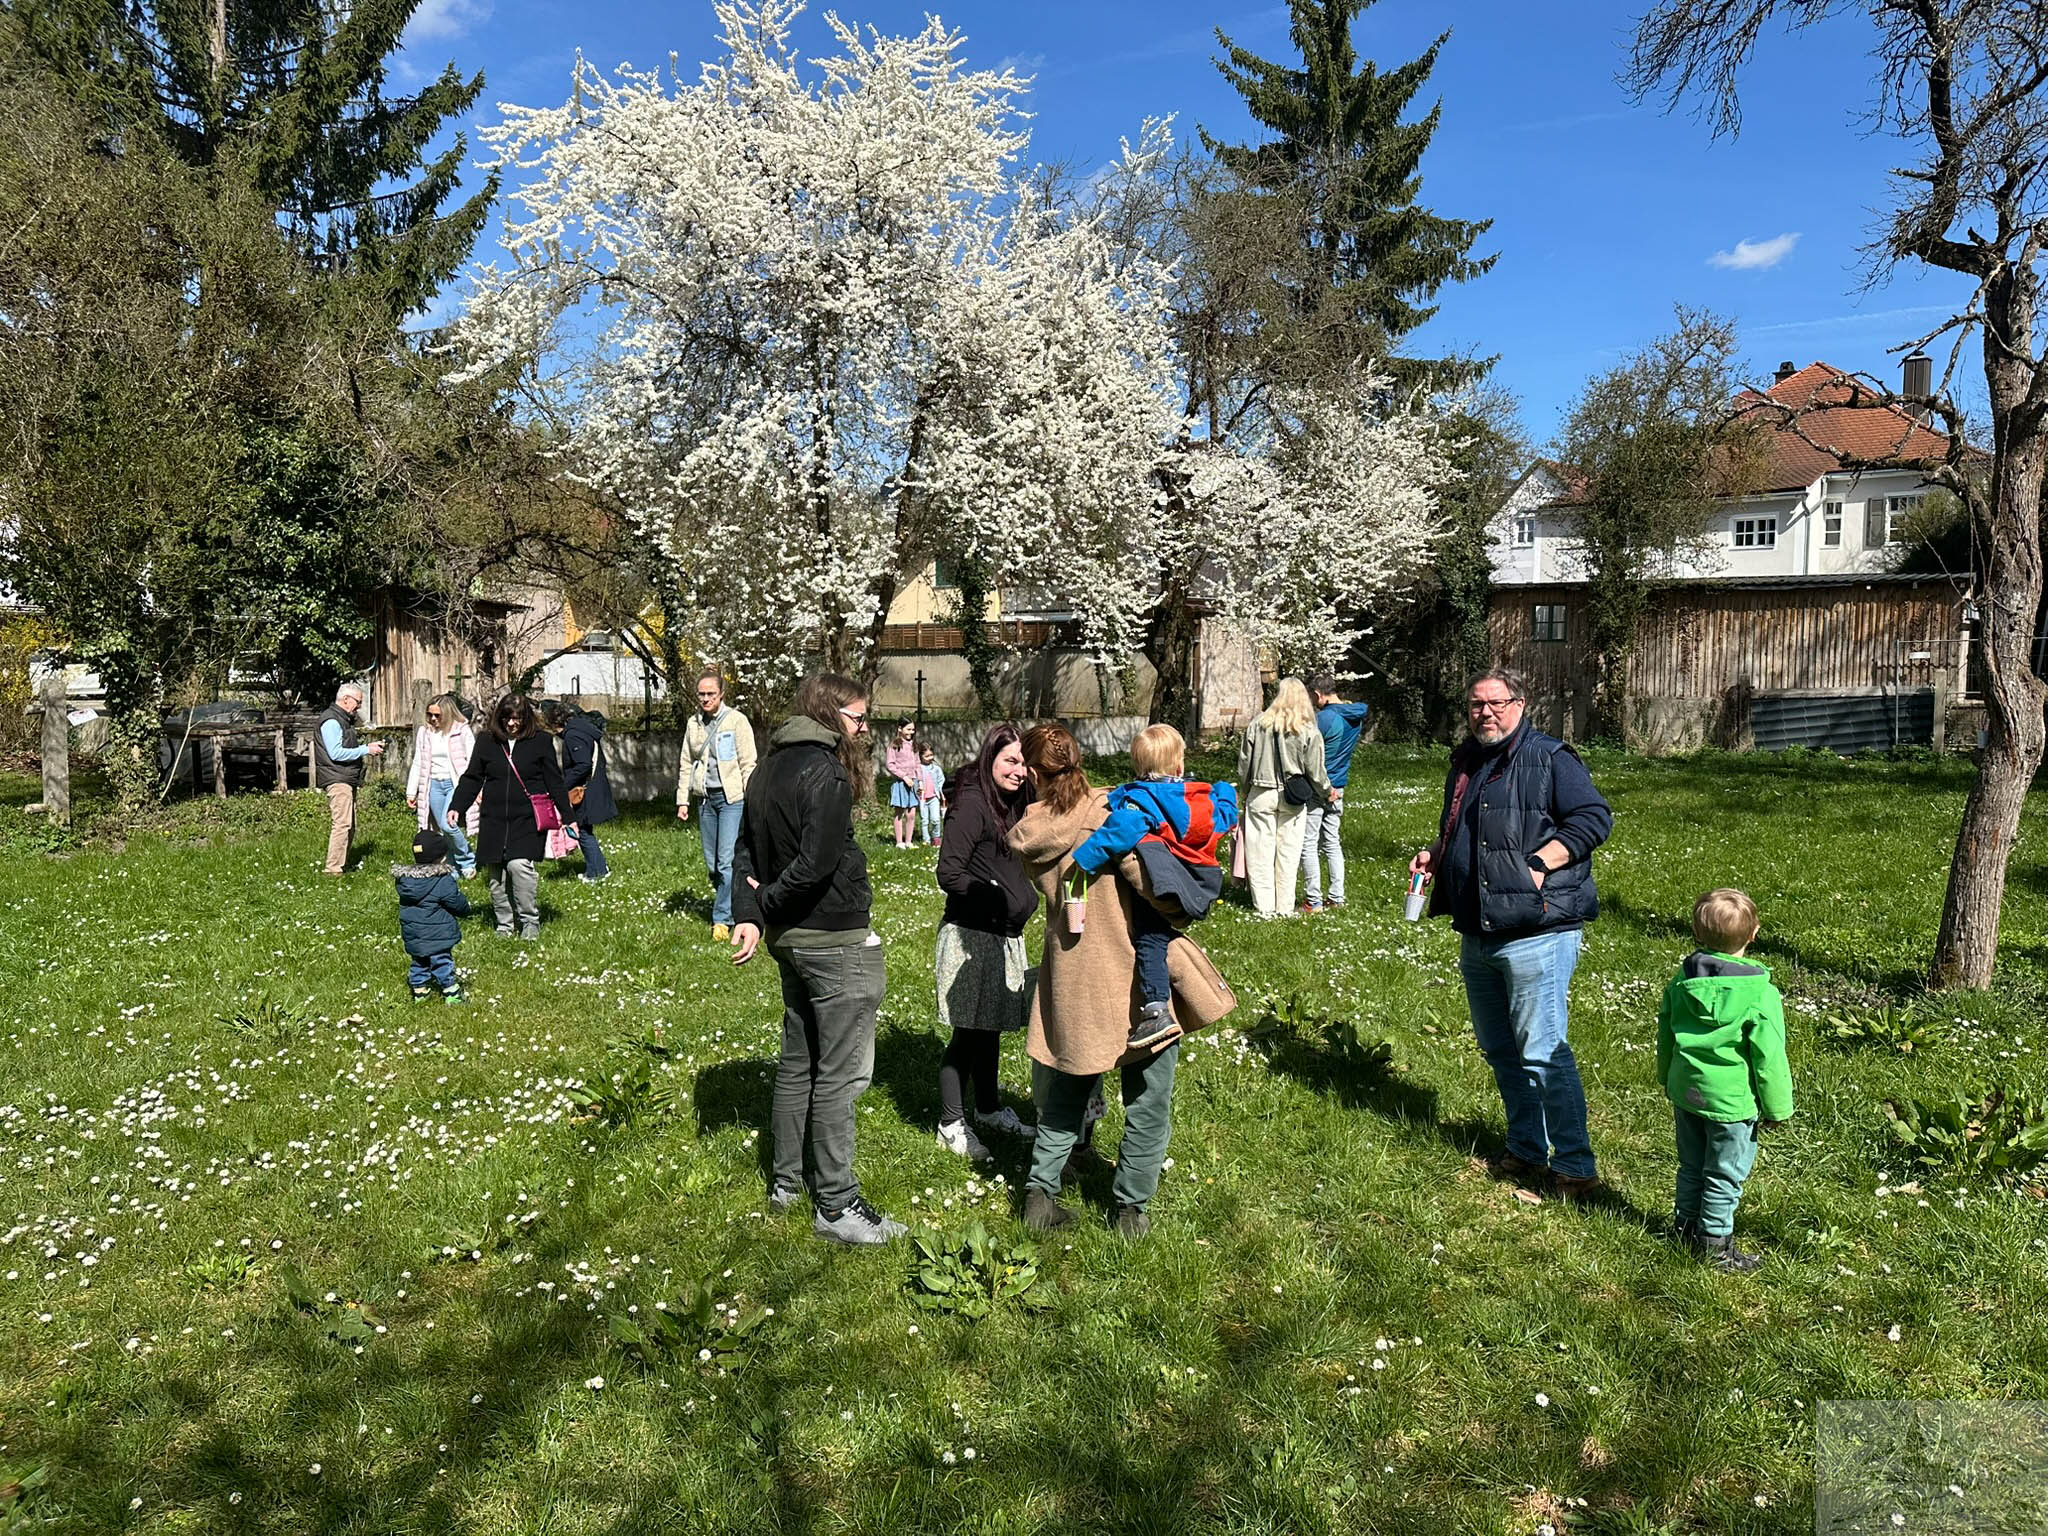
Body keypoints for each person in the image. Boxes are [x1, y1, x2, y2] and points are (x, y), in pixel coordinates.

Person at [1008, 722, 1235, 1238]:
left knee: (1067, 1089)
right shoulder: (1116, 811)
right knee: (1149, 1097)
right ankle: (1131, 1212)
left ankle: (1039, 1197)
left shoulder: (1031, 833)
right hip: (1137, 974)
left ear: (1033, 775)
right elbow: (1159, 891)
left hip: (1075, 976)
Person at [1409, 667, 1614, 1199]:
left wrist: (1541, 863)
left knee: (1542, 1050)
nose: (1485, 713)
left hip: (1537, 929)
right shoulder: (1467, 761)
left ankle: (1575, 1168)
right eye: (1476, 704)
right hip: (1479, 929)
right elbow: (1469, 829)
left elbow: (1594, 818)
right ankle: (1525, 1147)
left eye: (1496, 703)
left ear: (1520, 705)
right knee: (1501, 1049)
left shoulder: (1550, 757)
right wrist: (1438, 852)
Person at [730, 673, 905, 1246]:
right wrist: (764, 903)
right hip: (831, 939)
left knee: (798, 1061)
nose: (864, 729)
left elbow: (743, 852)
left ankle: (786, 1185)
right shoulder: (826, 772)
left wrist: (753, 913)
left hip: (790, 940)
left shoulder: (766, 769)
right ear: (831, 714)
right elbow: (815, 864)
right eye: (858, 718)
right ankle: (836, 1205)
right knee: (839, 1075)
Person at [1069, 723, 1238, 1053]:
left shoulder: (1143, 802)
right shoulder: (1200, 801)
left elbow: (1117, 834)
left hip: (1163, 882)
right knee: (1160, 936)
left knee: (1149, 940)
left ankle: (1156, 1010)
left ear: (1137, 766)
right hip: (1199, 880)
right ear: (1180, 766)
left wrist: (1082, 862)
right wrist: (1224, 789)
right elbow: (1227, 814)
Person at [1657, 888, 1793, 1272]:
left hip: (1687, 1091)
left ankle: (1684, 1229)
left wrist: (1666, 1077)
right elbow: (1769, 1058)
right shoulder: (1760, 994)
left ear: (1696, 933)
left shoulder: (1681, 981)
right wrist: (1778, 1108)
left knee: (1691, 1165)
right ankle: (1715, 1247)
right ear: (1754, 933)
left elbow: (1666, 1033)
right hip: (1731, 1104)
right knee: (1723, 1174)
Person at [932, 724, 1039, 1161]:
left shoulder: (1015, 800)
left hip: (1002, 935)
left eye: (1024, 763)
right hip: (971, 934)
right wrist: (995, 896)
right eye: (1010, 761)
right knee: (968, 1034)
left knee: (989, 1026)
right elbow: (948, 872)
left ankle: (989, 1109)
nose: (1019, 771)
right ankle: (950, 1123)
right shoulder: (973, 804)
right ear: (990, 759)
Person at [449, 693, 572, 941]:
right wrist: (457, 806)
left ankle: (529, 922)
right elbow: (472, 777)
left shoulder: (541, 741)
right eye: (507, 718)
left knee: (519, 866)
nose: (512, 723)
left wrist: (569, 817)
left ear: (526, 718)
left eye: (517, 718)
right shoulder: (487, 741)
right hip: (493, 819)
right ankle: (504, 924)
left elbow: (554, 781)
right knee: (496, 875)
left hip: (527, 818)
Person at [1236, 677, 1331, 917]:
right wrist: (1327, 791)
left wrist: (1244, 792)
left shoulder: (1258, 724)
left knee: (1259, 853)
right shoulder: (1308, 728)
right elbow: (1316, 770)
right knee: (1288, 854)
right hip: (1293, 796)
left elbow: (1244, 763)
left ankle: (1264, 907)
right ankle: (1285, 907)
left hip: (1260, 792)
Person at [678, 670, 756, 941]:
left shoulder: (737, 721)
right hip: (705, 799)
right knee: (713, 865)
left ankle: (721, 919)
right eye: (702, 694)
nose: (706, 698)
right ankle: (734, 902)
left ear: (721, 694)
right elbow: (686, 762)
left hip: (731, 799)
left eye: (711, 693)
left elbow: (748, 762)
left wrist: (750, 798)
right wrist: (682, 800)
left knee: (725, 861)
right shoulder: (694, 724)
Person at [1301, 674, 1371, 913]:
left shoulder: (1324, 719)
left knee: (1309, 843)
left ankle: (1314, 900)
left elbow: (1307, 752)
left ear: (1317, 695)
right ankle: (1336, 896)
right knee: (1332, 842)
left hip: (1318, 786)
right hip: (1339, 785)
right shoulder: (1354, 716)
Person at [315, 681, 385, 874]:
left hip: (345, 777)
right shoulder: (331, 721)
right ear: (346, 699)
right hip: (337, 778)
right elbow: (336, 753)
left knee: (349, 825)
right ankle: (333, 870)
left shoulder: (343, 720)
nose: (359, 706)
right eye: (358, 702)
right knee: (342, 824)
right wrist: (366, 749)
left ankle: (341, 865)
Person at [543, 700, 617, 884]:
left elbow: (583, 765)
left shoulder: (573, 736)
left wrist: (562, 786)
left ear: (555, 723)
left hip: (584, 790)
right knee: (585, 829)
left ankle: (596, 873)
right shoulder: (582, 730)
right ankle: (599, 868)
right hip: (592, 786)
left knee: (582, 831)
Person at [394, 827, 471, 1004]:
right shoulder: (442, 880)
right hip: (438, 935)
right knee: (442, 961)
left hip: (414, 934)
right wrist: (466, 909)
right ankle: (451, 993)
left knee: (419, 961)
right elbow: (455, 901)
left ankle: (420, 992)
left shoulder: (406, 881)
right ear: (441, 857)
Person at [406, 694, 478, 879]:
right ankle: (452, 865)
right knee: (441, 828)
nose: (433, 719)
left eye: (437, 715)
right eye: (430, 715)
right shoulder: (425, 732)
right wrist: (411, 791)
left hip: (455, 784)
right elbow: (418, 761)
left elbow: (474, 761)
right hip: (433, 785)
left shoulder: (462, 731)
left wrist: (477, 788)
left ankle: (467, 859)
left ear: (447, 713)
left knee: (449, 825)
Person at [885, 721, 921, 849]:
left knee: (911, 814)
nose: (911, 732)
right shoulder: (894, 745)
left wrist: (920, 781)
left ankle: (909, 841)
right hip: (900, 783)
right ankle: (899, 842)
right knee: (899, 812)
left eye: (913, 730)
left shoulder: (914, 745)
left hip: (913, 782)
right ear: (900, 729)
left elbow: (917, 764)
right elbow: (890, 765)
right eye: (908, 729)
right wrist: (904, 777)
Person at [916, 745, 945, 848]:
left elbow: (941, 781)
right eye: (927, 756)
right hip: (922, 799)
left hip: (934, 798)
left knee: (935, 819)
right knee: (924, 821)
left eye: (931, 755)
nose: (930, 758)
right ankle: (926, 841)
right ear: (920, 756)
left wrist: (941, 793)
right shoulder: (918, 769)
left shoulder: (936, 769)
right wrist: (917, 790)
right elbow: (915, 782)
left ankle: (936, 838)